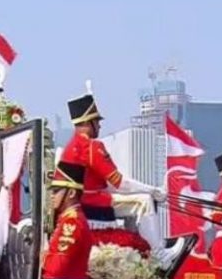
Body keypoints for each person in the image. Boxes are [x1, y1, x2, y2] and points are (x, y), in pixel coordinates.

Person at [60, 87, 180, 263]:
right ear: (88, 122)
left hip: (81, 201)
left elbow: (105, 183)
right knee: (144, 201)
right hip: (93, 202)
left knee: (137, 199)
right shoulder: (91, 147)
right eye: (97, 121)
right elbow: (119, 183)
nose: (100, 125)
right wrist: (153, 191)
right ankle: (159, 254)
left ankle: (146, 248)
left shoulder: (71, 147)